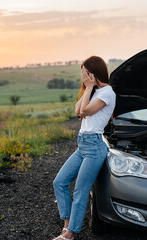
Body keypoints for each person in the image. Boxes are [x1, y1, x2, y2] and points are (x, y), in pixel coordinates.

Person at [52, 56, 116, 240]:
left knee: (81, 190)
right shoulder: (94, 91)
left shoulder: (108, 92)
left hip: (95, 147)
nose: (82, 76)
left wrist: (88, 87)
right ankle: (67, 224)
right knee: (60, 181)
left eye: (84, 72)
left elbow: (85, 111)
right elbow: (77, 110)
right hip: (83, 145)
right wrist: (88, 88)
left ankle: (70, 234)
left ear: (93, 73)